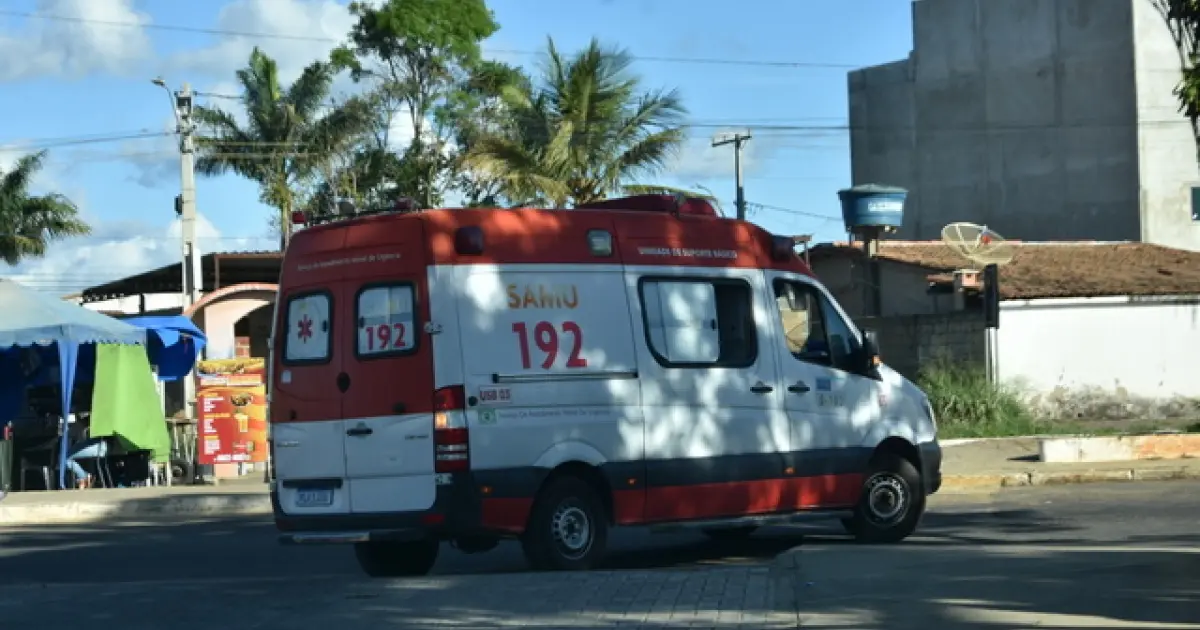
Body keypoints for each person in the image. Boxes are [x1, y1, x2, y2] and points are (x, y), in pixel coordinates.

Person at [63, 413, 106, 489]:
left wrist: (78, 416)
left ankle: (84, 477)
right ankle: (86, 478)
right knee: (71, 453)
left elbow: (84, 423)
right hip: (102, 443)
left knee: (65, 458)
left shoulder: (93, 416)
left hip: (100, 445)